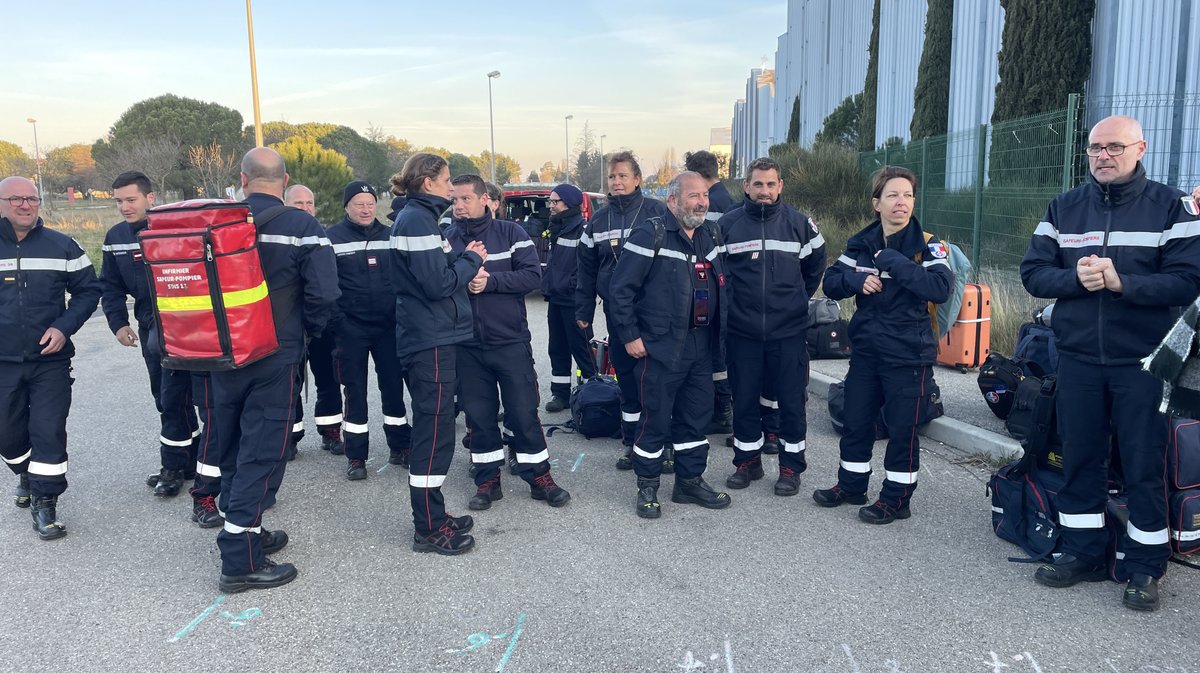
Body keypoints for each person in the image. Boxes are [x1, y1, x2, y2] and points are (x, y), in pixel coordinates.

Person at [1021, 115, 1200, 612]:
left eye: (1115, 147)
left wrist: (1124, 283)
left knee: (1144, 463)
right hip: (1078, 358)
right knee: (1080, 457)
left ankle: (1145, 565)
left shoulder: (1172, 207)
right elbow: (1033, 273)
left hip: (1144, 363)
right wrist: (1076, 278)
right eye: (1096, 148)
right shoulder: (1064, 207)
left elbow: (1188, 281)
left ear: (1140, 149)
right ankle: (1084, 551)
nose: (1103, 155)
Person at [213, 148, 340, 592]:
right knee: (264, 450)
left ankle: (245, 528)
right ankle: (240, 559)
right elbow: (325, 294)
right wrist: (306, 334)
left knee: (230, 445)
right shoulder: (303, 226)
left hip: (219, 354)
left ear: (243, 179)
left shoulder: (218, 222)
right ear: (284, 181)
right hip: (276, 353)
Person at [814, 166, 952, 524]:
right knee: (856, 423)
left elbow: (940, 288)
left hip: (908, 354)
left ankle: (896, 498)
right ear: (877, 203)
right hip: (866, 353)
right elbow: (830, 283)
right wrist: (856, 282)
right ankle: (851, 485)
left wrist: (894, 261)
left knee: (902, 430)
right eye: (892, 195)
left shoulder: (928, 244)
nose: (901, 202)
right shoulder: (862, 243)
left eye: (907, 195)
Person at [444, 174, 570, 511]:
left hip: (509, 341)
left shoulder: (512, 233)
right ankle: (487, 481)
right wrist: (463, 282)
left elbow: (533, 276)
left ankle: (539, 477)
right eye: (454, 199)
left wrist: (490, 282)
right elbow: (438, 286)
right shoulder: (448, 239)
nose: (458, 206)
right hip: (467, 346)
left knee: (523, 412)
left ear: (485, 199)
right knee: (479, 415)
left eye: (465, 199)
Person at [609, 171, 731, 518]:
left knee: (696, 417)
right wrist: (631, 335)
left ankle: (689, 481)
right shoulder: (652, 233)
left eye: (705, 195)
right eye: (693, 196)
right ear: (673, 200)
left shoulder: (711, 233)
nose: (702, 202)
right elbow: (621, 290)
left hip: (702, 346)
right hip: (661, 346)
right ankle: (647, 485)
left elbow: (725, 284)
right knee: (656, 418)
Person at [390, 153, 486, 555]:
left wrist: (461, 261)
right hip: (428, 341)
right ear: (427, 182)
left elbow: (436, 271)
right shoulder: (415, 219)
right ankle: (427, 527)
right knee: (432, 434)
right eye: (446, 180)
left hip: (436, 338)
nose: (452, 188)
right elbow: (437, 283)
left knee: (440, 429)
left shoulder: (422, 217)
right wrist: (471, 260)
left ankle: (435, 513)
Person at [0, 176, 102, 540]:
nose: (25, 205)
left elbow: (90, 292)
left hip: (50, 362)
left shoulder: (63, 246)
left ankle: (45, 503)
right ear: (1, 203)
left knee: (48, 430)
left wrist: (63, 327)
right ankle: (26, 473)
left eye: (32, 198)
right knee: (8, 435)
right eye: (16, 199)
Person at [719, 157, 826, 496]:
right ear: (746, 187)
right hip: (742, 332)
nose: (764, 191)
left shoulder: (800, 224)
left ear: (780, 186)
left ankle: (791, 468)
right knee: (745, 399)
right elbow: (719, 276)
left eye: (770, 184)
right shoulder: (727, 225)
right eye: (758, 184)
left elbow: (814, 268)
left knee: (792, 403)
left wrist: (793, 302)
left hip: (788, 332)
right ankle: (747, 462)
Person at [100, 171, 200, 497]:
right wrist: (118, 323)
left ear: (150, 198)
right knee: (165, 396)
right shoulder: (115, 237)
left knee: (175, 397)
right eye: (119, 201)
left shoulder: (170, 230)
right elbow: (111, 287)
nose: (124, 207)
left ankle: (172, 467)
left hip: (181, 325)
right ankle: (191, 460)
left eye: (131, 199)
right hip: (148, 326)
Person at [577, 152, 669, 470]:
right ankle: (632, 443)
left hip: (655, 315)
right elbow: (586, 271)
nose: (617, 182)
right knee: (628, 382)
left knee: (657, 383)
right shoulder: (598, 221)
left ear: (637, 179)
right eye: (612, 177)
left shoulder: (657, 212)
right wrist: (583, 310)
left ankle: (661, 445)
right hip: (618, 317)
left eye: (623, 176)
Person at [327, 180, 412, 479]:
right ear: (346, 206)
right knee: (355, 391)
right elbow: (326, 285)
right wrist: (339, 321)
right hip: (351, 329)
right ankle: (356, 456)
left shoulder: (391, 236)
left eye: (370, 204)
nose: (365, 209)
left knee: (393, 388)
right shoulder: (331, 238)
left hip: (388, 327)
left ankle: (401, 446)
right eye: (358, 204)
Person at [283, 184, 343, 458]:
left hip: (321, 322)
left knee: (328, 379)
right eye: (298, 204)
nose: (306, 208)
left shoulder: (322, 235)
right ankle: (290, 438)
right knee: (290, 383)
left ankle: (331, 432)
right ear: (286, 206)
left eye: (309, 203)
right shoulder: (279, 238)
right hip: (290, 323)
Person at [684, 150, 736, 435]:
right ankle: (724, 410)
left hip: (707, 282)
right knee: (720, 353)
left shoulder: (706, 202)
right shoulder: (728, 200)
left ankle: (722, 411)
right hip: (722, 283)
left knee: (715, 353)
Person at [542, 183, 596, 410]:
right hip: (556, 299)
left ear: (570, 204)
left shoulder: (583, 230)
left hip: (574, 301)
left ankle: (592, 392)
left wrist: (571, 287)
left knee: (582, 349)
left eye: (556, 201)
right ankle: (560, 395)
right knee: (557, 348)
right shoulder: (557, 228)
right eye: (551, 202)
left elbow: (586, 268)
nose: (551, 206)